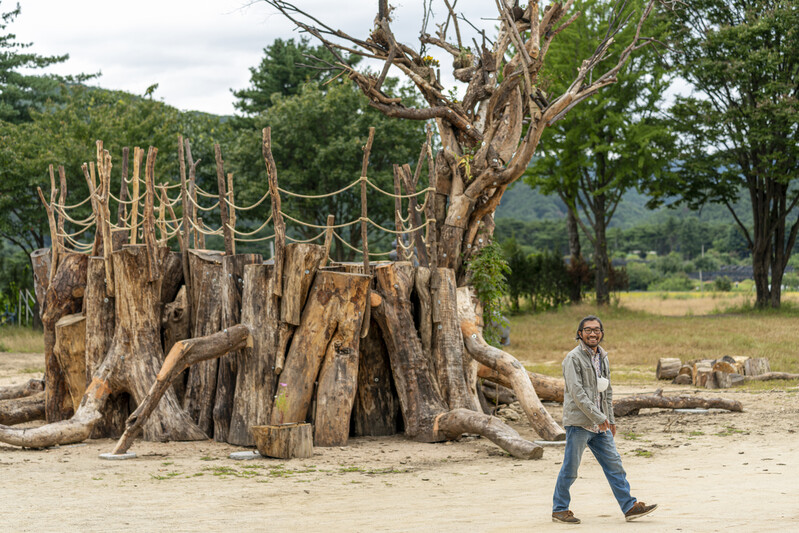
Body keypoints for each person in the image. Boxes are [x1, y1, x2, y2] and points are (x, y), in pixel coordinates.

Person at [551, 315, 657, 524]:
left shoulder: (603, 357)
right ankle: (559, 509)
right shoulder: (573, 358)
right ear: (580, 334)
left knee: (615, 465)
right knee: (571, 468)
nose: (593, 333)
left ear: (601, 333)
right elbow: (577, 393)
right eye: (588, 330)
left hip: (601, 425)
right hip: (579, 423)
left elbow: (606, 391)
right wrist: (599, 417)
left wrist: (610, 419)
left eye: (597, 330)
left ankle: (629, 507)